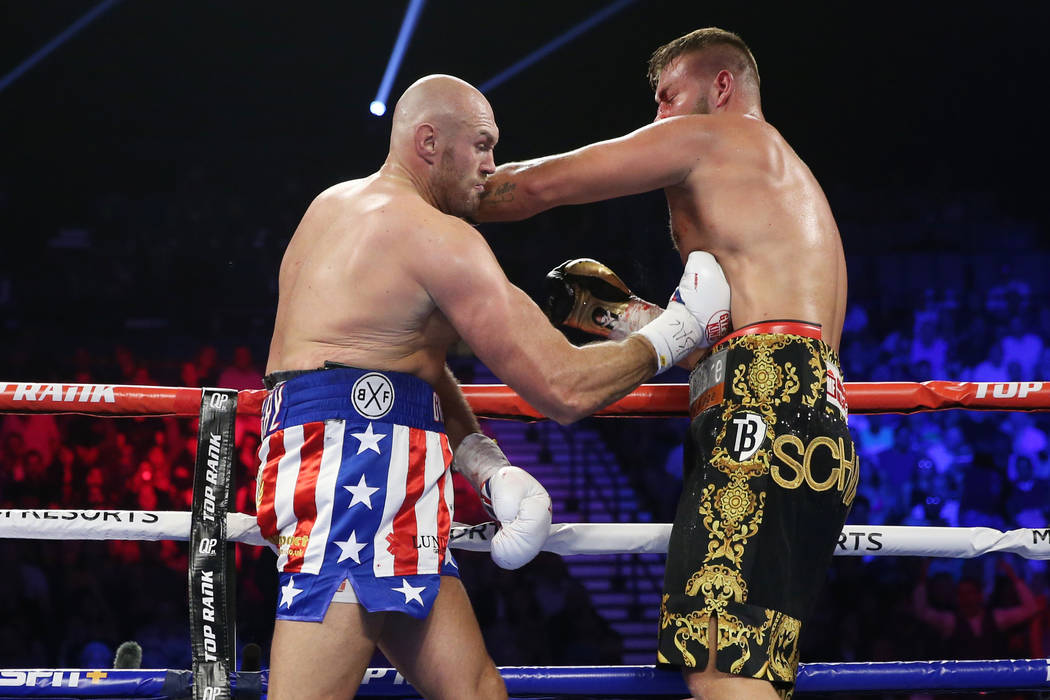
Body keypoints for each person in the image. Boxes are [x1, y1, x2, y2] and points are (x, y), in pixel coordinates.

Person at [257, 74, 728, 700]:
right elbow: (563, 388)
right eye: (480, 145)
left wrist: (484, 464)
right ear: (429, 142)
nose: (491, 166)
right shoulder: (439, 239)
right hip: (357, 466)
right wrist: (678, 330)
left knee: (477, 690)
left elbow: (406, 368)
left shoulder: (332, 206)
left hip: (363, 448)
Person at [476, 27, 854, 700]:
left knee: (715, 660)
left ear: (721, 87)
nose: (658, 120)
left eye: (667, 97)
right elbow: (754, 340)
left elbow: (543, 184)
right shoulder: (788, 186)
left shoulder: (713, 135)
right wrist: (628, 319)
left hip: (756, 425)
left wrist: (439, 190)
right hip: (812, 423)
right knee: (751, 664)